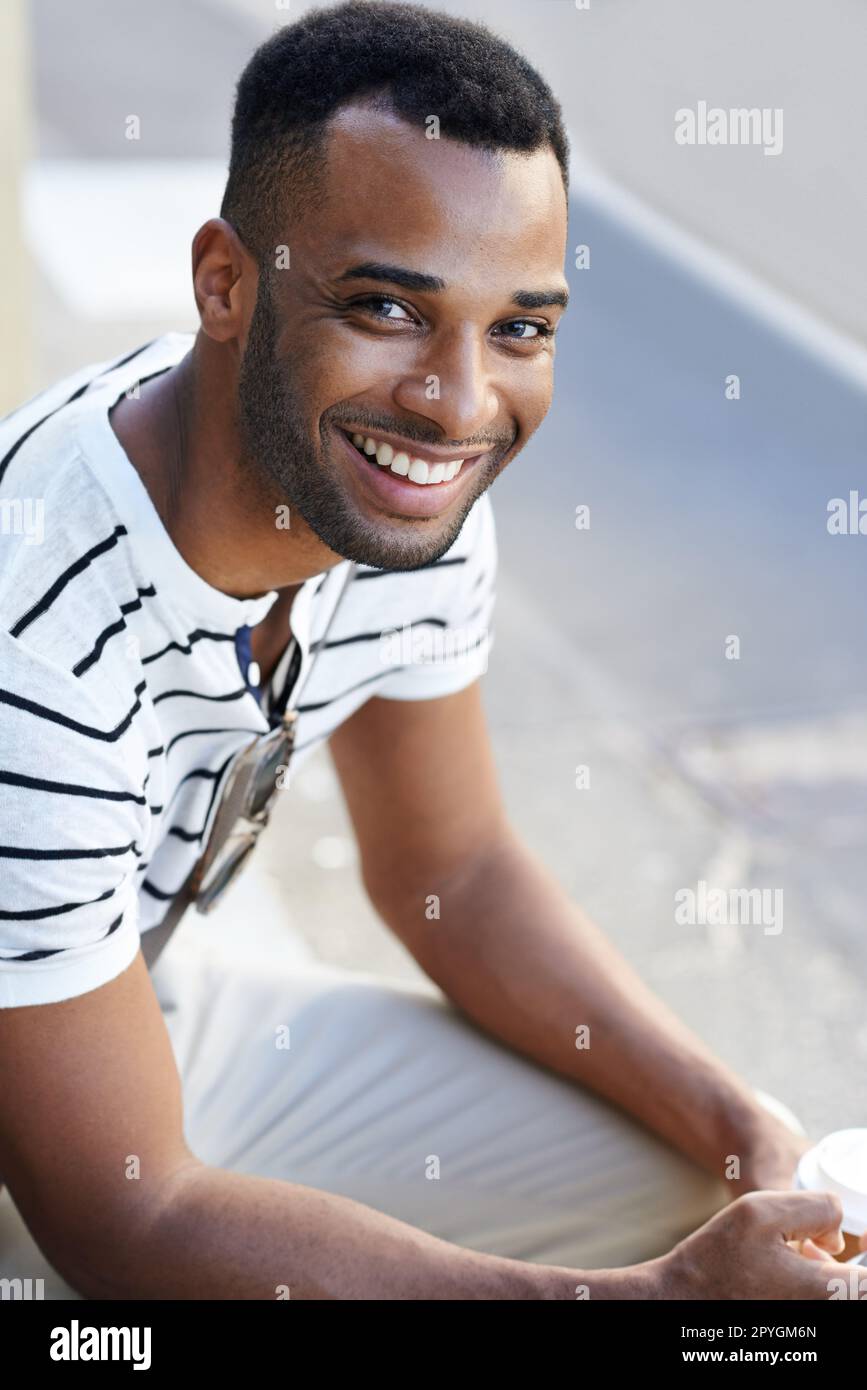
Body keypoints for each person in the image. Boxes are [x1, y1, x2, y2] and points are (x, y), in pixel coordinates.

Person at [0, 1, 861, 1301]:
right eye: (389, 307)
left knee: (728, 1202)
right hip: (55, 1150)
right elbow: (133, 1221)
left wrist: (745, 1128)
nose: (459, 405)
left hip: (146, 1001)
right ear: (224, 281)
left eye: (520, 326)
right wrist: (650, 1305)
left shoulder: (404, 487)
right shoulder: (34, 628)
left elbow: (449, 864)